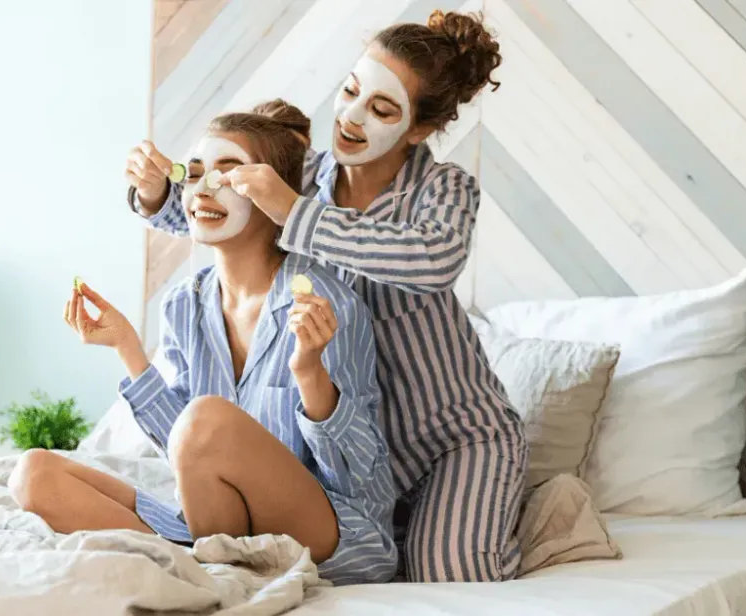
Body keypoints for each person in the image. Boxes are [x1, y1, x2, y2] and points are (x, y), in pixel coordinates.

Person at [125, 10, 527, 583]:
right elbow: (216, 209)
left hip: (452, 440)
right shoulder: (304, 174)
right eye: (351, 91)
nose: (353, 117)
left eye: (383, 109)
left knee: (446, 573)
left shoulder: (444, 189)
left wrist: (293, 211)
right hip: (361, 451)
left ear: (416, 129)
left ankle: (512, 512)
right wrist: (155, 191)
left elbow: (434, 260)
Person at [10, 105, 398, 586]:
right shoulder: (183, 306)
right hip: (215, 529)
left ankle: (205, 572)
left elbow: (365, 479)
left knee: (205, 420)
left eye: (227, 171)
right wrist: (129, 349)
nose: (203, 188)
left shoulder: (327, 303)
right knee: (33, 475)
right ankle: (202, 572)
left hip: (329, 533)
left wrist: (310, 374)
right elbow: (186, 450)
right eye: (193, 174)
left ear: (275, 194)